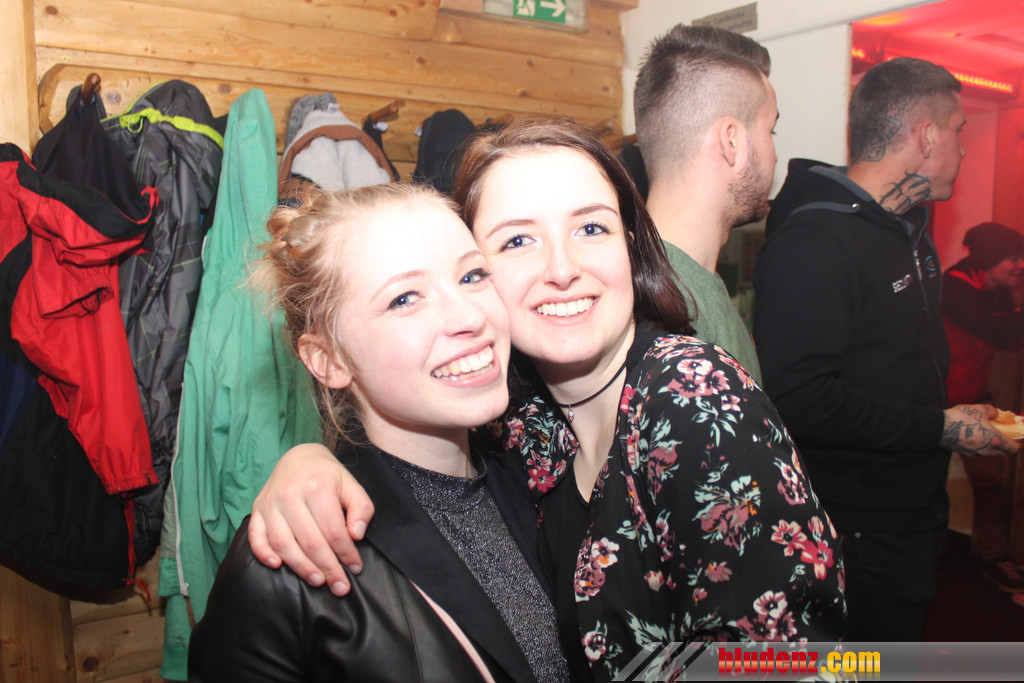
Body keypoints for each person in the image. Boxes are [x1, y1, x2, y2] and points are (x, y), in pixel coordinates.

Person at [247, 118, 846, 681]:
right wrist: (308, 460)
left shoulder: (691, 399)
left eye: (591, 228)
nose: (562, 268)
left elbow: (796, 663)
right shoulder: (523, 426)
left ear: (631, 245)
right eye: (517, 241)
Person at [188, 183, 569, 682]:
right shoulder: (288, 561)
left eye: (472, 275)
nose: (470, 316)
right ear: (329, 360)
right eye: (405, 298)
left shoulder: (546, 473)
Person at [753, 57, 1021, 642]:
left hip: (911, 511)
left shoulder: (907, 228)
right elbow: (800, 398)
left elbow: (889, 367)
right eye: (959, 131)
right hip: (857, 527)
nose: (964, 149)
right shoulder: (815, 241)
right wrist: (939, 427)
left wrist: (950, 414)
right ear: (926, 136)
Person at [634, 25, 777, 382]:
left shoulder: (679, 282)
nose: (775, 155)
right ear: (731, 142)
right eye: (771, 130)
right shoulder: (668, 309)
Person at [943, 221, 1024, 593]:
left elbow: (1009, 339)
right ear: (991, 258)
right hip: (940, 400)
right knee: (928, 482)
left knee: (992, 481)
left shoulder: (997, 291)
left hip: (978, 398)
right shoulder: (954, 286)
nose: (1020, 266)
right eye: (1013, 258)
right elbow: (1001, 333)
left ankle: (993, 558)